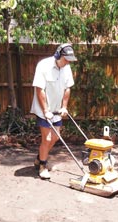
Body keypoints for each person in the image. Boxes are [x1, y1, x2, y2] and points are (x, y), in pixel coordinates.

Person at [30, 43, 77, 179]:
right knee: (47, 138)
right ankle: (42, 167)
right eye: (66, 59)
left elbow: (67, 88)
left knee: (55, 137)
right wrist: (45, 110)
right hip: (43, 109)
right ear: (58, 55)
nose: (68, 62)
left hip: (57, 109)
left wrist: (64, 106)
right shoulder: (44, 66)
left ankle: (39, 159)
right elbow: (40, 89)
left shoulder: (66, 68)